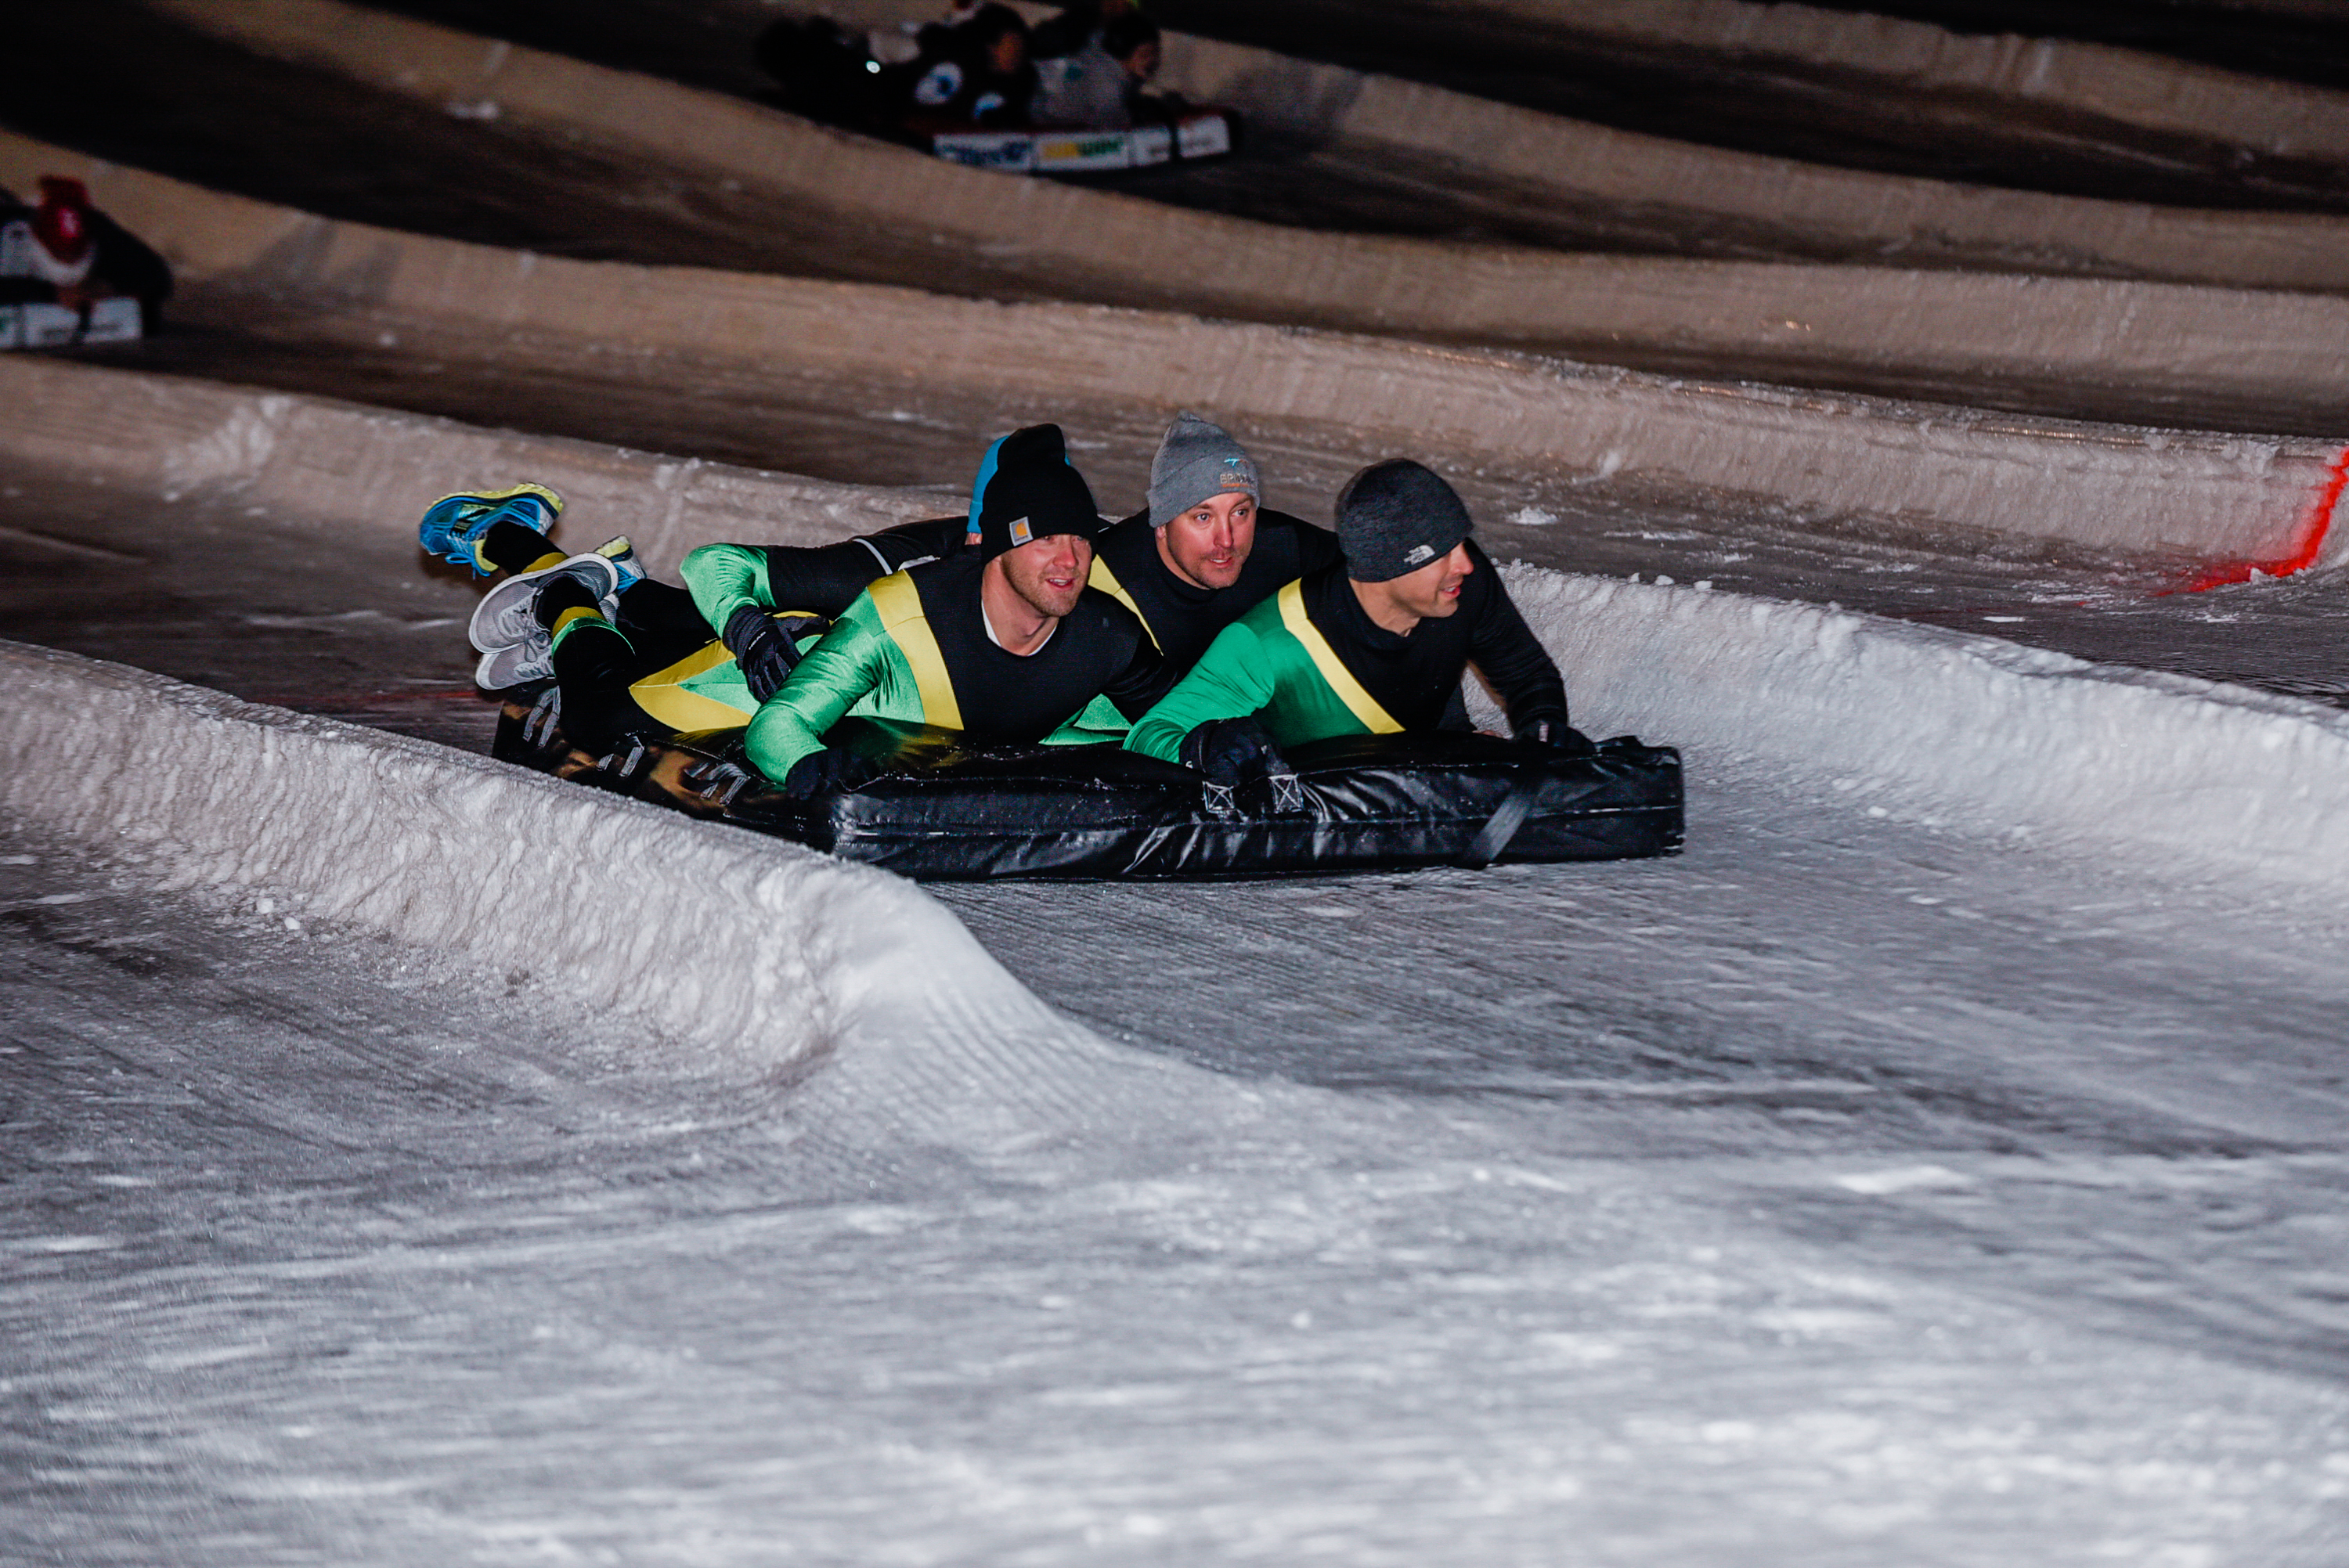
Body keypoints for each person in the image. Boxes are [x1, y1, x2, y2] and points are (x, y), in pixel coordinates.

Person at [684, 412, 1338, 700]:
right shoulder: (921, 567)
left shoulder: (1073, 574)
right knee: (696, 623)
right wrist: (746, 630)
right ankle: (616, 591)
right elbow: (713, 565)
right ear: (984, 538)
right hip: (813, 637)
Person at [745, 424, 1171, 795]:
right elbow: (776, 725)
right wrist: (810, 765)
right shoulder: (902, 613)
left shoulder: (1109, 634)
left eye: (1081, 539)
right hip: (747, 694)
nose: (1070, 560)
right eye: (1045, 539)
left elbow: (1179, 722)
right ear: (998, 547)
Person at [1124, 459, 1586, 784]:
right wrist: (1208, 746)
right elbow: (1148, 736)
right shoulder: (1270, 642)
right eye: (1442, 553)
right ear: (1388, 568)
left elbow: (1525, 674)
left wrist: (1543, 732)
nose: (1465, 563)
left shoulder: (1465, 585)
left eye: (1461, 544)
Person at [0, 176, 171, 326]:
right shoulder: (8, 230)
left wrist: (107, 289)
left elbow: (157, 276)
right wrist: (47, 293)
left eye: (75, 255)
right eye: (58, 254)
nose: (67, 263)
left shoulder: (100, 232)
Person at [880, 2, 1036, 132]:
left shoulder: (1019, 84)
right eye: (1012, 46)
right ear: (990, 46)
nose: (1018, 55)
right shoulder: (949, 53)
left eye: (1021, 48)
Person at [1030, 12, 1162, 130]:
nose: (1151, 62)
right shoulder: (1105, 84)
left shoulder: (1105, 65)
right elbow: (1114, 129)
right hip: (1049, 132)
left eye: (1155, 54)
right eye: (1144, 55)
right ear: (1122, 51)